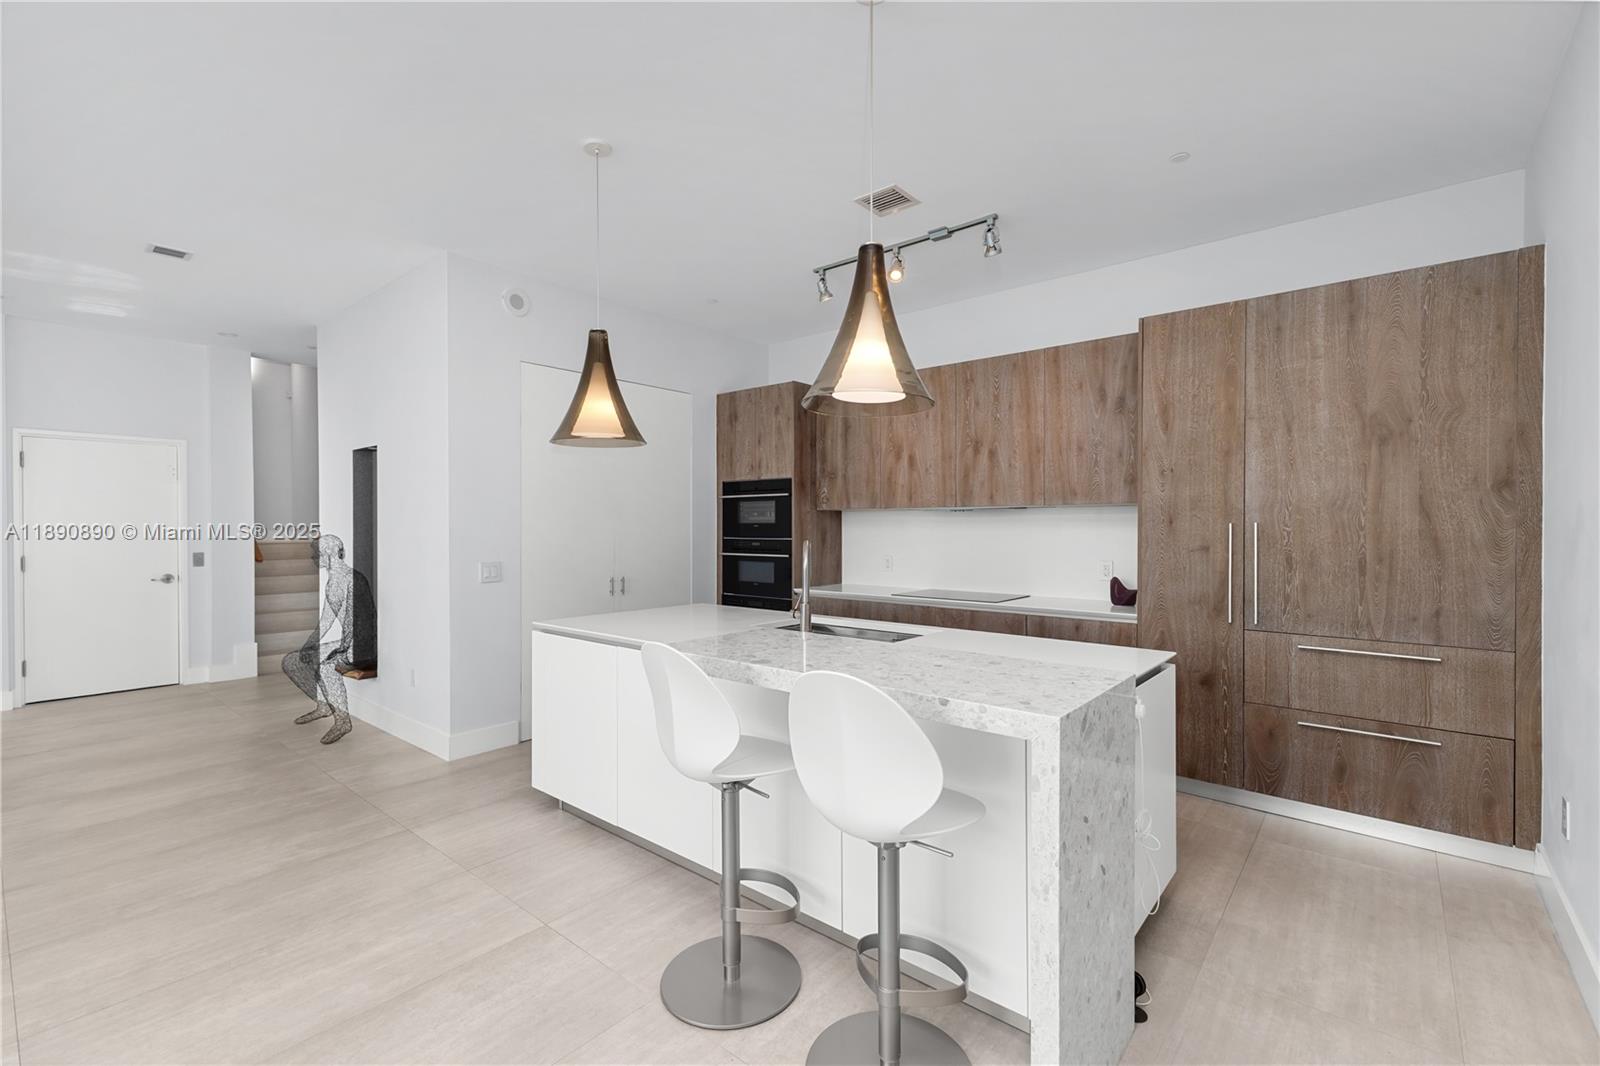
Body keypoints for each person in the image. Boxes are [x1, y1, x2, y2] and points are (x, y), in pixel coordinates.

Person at [281, 533, 372, 744]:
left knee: (328, 666)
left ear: (329, 553)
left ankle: (343, 721)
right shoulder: (332, 582)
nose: (314, 557)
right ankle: (324, 706)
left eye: (317, 553)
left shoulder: (352, 578)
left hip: (363, 644)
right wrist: (308, 646)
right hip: (348, 642)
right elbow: (327, 620)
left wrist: (343, 649)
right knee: (292, 661)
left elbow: (356, 619)